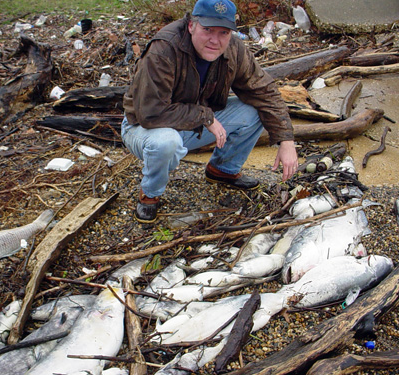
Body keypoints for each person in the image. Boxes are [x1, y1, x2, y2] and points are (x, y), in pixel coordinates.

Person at [121, 0, 298, 223]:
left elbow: (264, 91)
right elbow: (151, 113)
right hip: (145, 128)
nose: (215, 40)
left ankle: (222, 170)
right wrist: (206, 117)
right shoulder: (164, 49)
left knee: (254, 109)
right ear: (191, 25)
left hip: (193, 125)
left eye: (223, 32)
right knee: (166, 143)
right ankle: (150, 194)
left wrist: (286, 140)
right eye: (207, 30)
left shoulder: (234, 48)